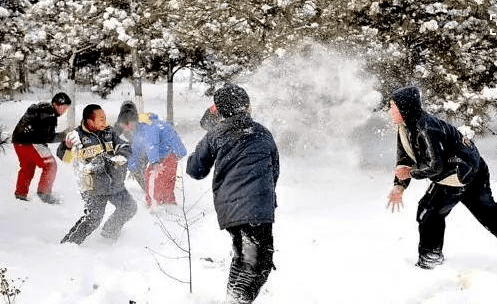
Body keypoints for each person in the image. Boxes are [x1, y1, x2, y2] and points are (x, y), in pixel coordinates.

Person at [186, 83, 279, 303]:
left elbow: (195, 169)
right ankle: (235, 301)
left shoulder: (216, 134)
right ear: (246, 106)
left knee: (249, 259)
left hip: (234, 207)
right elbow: (274, 170)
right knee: (255, 262)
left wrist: (212, 135)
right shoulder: (262, 132)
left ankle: (234, 299)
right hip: (258, 208)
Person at [386, 85, 497, 269]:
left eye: (393, 106)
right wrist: (400, 185)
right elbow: (405, 158)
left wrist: (411, 173)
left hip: (461, 173)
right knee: (488, 214)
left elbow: (433, 166)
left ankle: (430, 260)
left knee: (429, 210)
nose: (390, 111)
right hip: (466, 170)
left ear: (404, 108)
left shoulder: (424, 128)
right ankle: (431, 258)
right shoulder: (405, 127)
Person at [57, 104, 137, 244]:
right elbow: (64, 158)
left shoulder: (108, 132)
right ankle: (69, 244)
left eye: (105, 118)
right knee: (93, 219)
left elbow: (124, 146)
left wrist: (121, 156)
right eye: (101, 119)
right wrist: (67, 146)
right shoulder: (77, 136)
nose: (104, 121)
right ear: (89, 121)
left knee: (129, 207)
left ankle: (109, 233)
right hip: (93, 187)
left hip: (113, 183)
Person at [116, 101, 187, 208]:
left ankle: (161, 205)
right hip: (162, 155)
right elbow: (136, 150)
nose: (125, 129)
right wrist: (132, 166)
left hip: (170, 152)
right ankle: (161, 203)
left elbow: (152, 144)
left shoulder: (148, 127)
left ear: (131, 122)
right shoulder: (138, 131)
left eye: (125, 125)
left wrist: (155, 162)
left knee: (158, 180)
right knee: (152, 177)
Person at [12, 92, 72, 204]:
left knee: (27, 167)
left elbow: (43, 134)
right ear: (56, 104)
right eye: (64, 107)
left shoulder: (43, 110)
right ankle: (44, 194)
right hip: (31, 142)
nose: (65, 111)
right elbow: (48, 137)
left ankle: (20, 194)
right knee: (50, 165)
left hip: (18, 141)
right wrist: (64, 135)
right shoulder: (49, 114)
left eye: (66, 108)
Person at [114, 101, 148, 191]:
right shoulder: (124, 122)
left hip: (138, 150)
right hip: (131, 149)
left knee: (139, 169)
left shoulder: (138, 126)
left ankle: (147, 189)